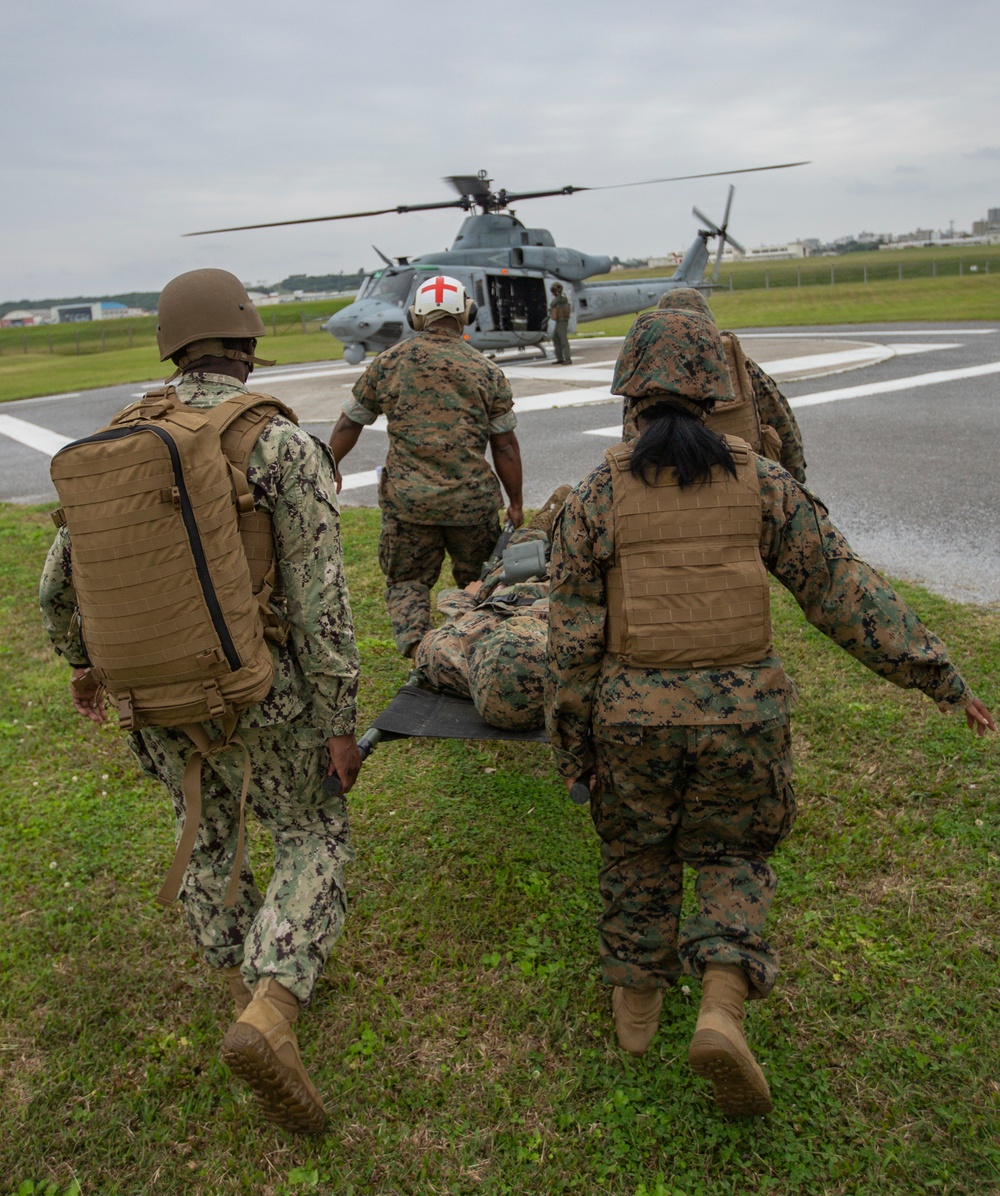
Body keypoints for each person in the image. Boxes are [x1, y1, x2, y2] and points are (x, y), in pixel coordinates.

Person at [545, 307, 993, 1119]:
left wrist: (573, 749)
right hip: (745, 719)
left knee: (637, 853)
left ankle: (636, 1015)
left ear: (632, 392)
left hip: (634, 719)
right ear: (715, 391)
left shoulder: (595, 495)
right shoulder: (764, 482)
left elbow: (572, 644)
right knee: (733, 852)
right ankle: (720, 1003)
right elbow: (844, 592)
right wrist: (940, 676)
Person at [39, 268, 361, 1136]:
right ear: (248, 343)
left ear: (170, 345)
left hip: (150, 691)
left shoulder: (116, 439)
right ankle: (270, 1010)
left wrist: (85, 666)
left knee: (210, 824)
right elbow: (321, 600)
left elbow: (57, 590)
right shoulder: (282, 446)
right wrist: (339, 718)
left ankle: (239, 967)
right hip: (262, 692)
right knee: (312, 832)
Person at [329, 274, 523, 658]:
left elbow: (350, 422)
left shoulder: (389, 363)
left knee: (408, 582)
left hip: (408, 505)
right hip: (472, 505)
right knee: (478, 583)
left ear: (416, 316)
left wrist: (331, 466)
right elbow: (505, 445)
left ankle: (421, 654)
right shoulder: (486, 370)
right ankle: (472, 652)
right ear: (466, 313)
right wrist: (516, 503)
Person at [412, 486, 571, 729]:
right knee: (575, 519)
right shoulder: (575, 649)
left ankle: (561, 500)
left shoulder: (451, 660)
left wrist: (468, 598)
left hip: (508, 581)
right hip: (565, 575)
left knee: (536, 530)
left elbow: (429, 647)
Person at [641, 287, 806, 482]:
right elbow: (782, 422)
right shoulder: (742, 366)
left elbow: (631, 440)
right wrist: (796, 478)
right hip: (744, 483)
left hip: (670, 490)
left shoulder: (647, 378)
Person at [548, 283, 573, 366]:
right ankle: (560, 358)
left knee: (563, 339)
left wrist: (558, 295)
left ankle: (567, 358)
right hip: (558, 321)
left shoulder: (562, 297)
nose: (554, 293)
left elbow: (552, 304)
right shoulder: (559, 297)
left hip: (563, 321)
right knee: (555, 338)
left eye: (555, 291)